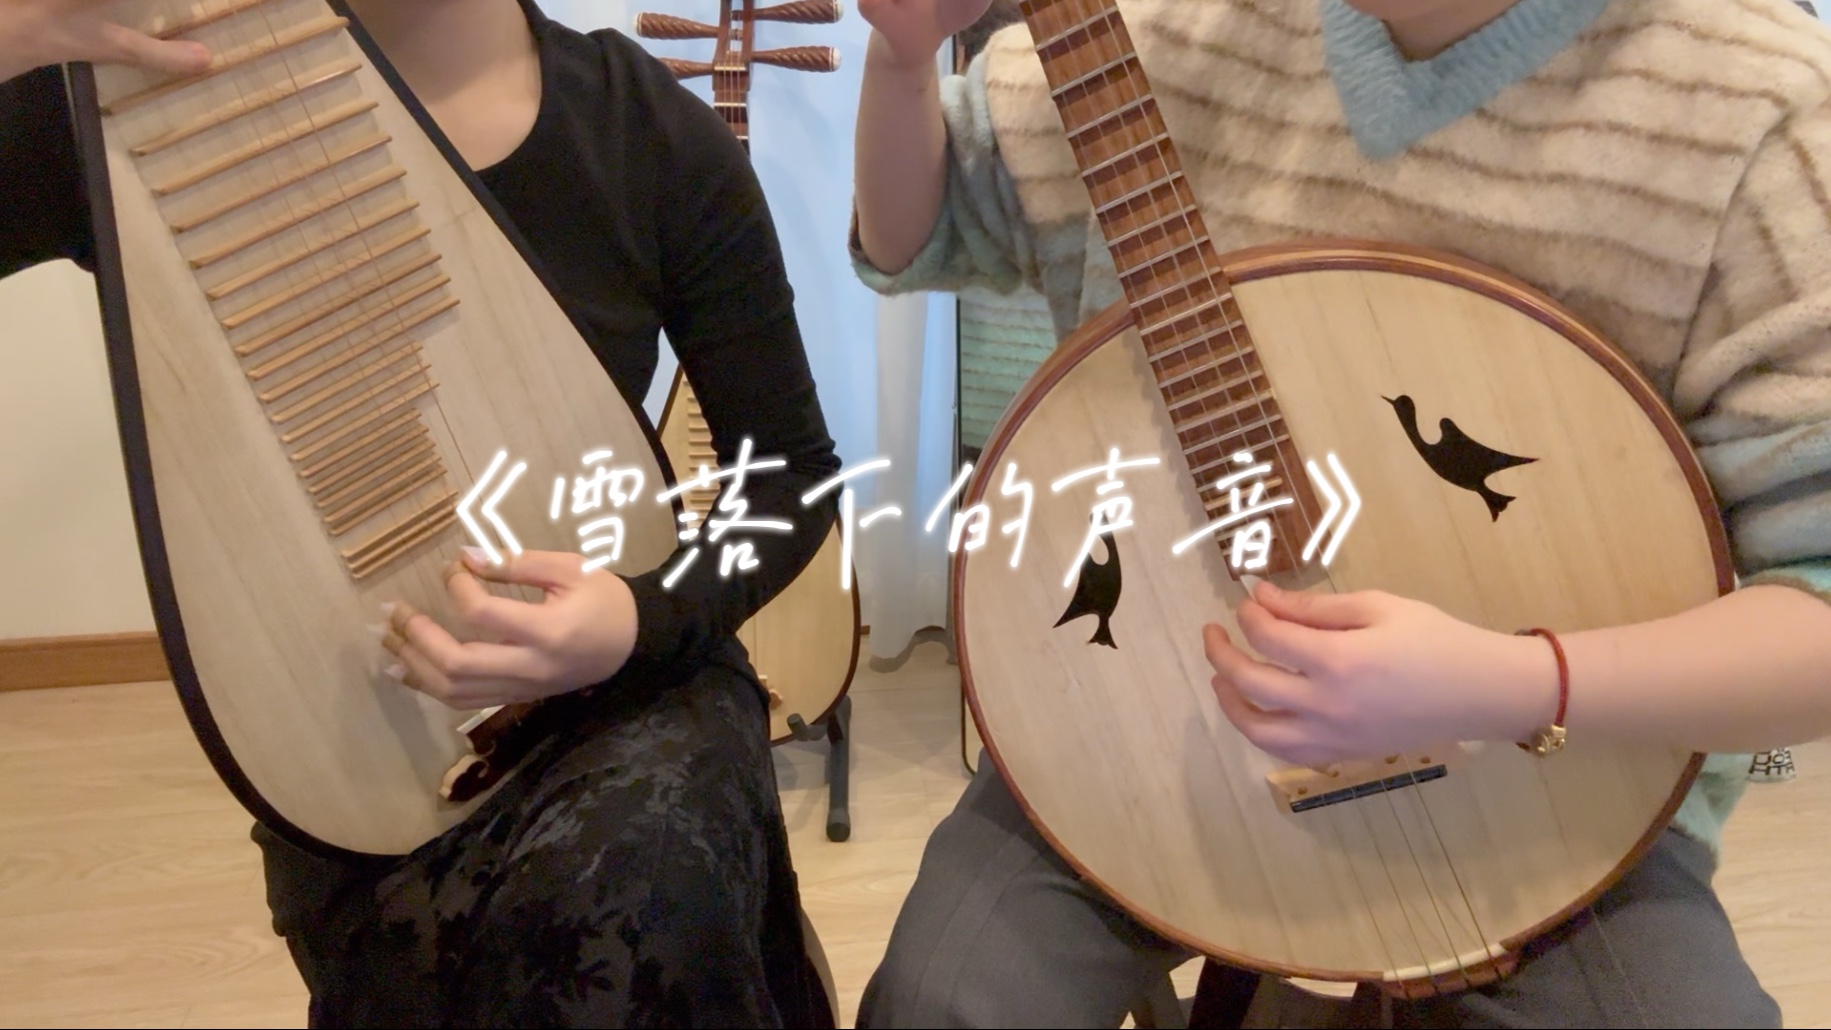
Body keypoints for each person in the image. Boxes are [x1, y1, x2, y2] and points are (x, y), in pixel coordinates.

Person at [848, 0, 1831, 1025]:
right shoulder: (1161, 33)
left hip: (1564, 777)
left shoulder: (1765, 106)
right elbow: (920, 230)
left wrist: (1504, 683)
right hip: (1146, 706)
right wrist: (903, 59)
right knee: (944, 998)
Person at [0, 0, 842, 1025]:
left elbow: (790, 476)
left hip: (636, 688)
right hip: (364, 757)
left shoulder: (640, 128)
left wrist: (638, 616)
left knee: (633, 899)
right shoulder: (152, 86)